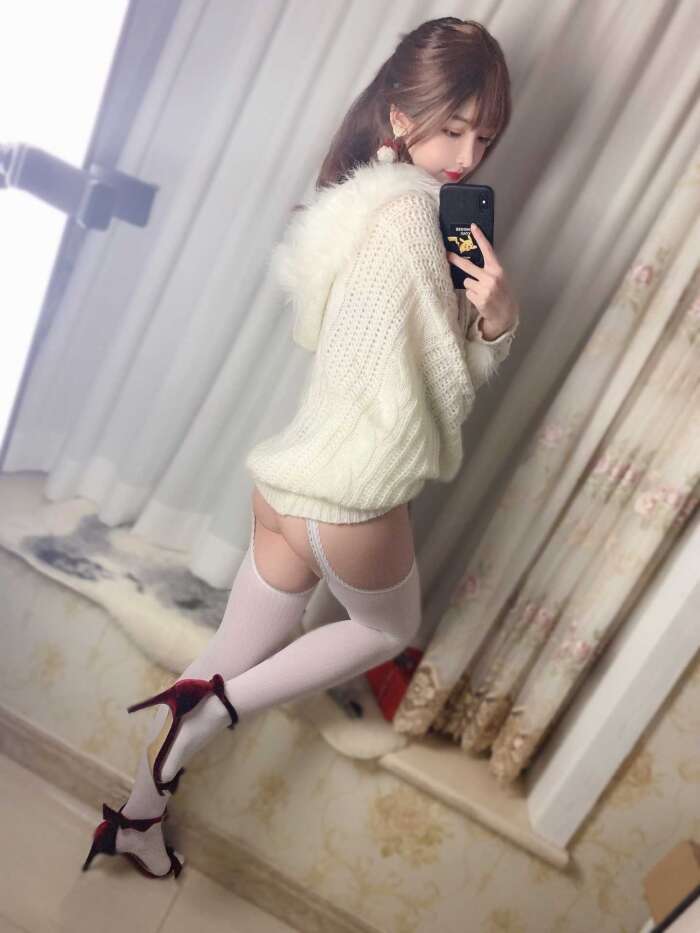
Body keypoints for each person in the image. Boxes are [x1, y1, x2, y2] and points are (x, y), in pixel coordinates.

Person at [82, 16, 521, 879]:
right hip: (351, 498)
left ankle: (136, 818)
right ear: (402, 114)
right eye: (453, 128)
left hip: (287, 486)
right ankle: (215, 715)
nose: (467, 155)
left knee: (219, 659)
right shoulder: (417, 218)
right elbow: (435, 390)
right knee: (389, 625)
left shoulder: (354, 201)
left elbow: (343, 345)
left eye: (485, 136)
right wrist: (497, 323)